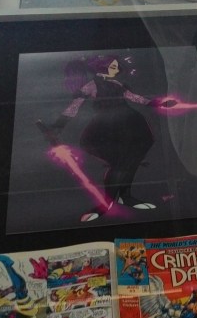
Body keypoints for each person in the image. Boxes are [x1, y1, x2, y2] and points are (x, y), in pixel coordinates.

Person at [42, 55, 176, 221]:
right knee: (121, 164)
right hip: (108, 127)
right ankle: (108, 203)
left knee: (130, 161)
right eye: (113, 66)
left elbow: (135, 98)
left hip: (132, 124)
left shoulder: (117, 84)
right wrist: (58, 126)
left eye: (117, 67)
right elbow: (74, 106)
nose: (116, 70)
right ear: (102, 66)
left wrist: (158, 103)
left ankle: (125, 196)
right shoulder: (92, 85)